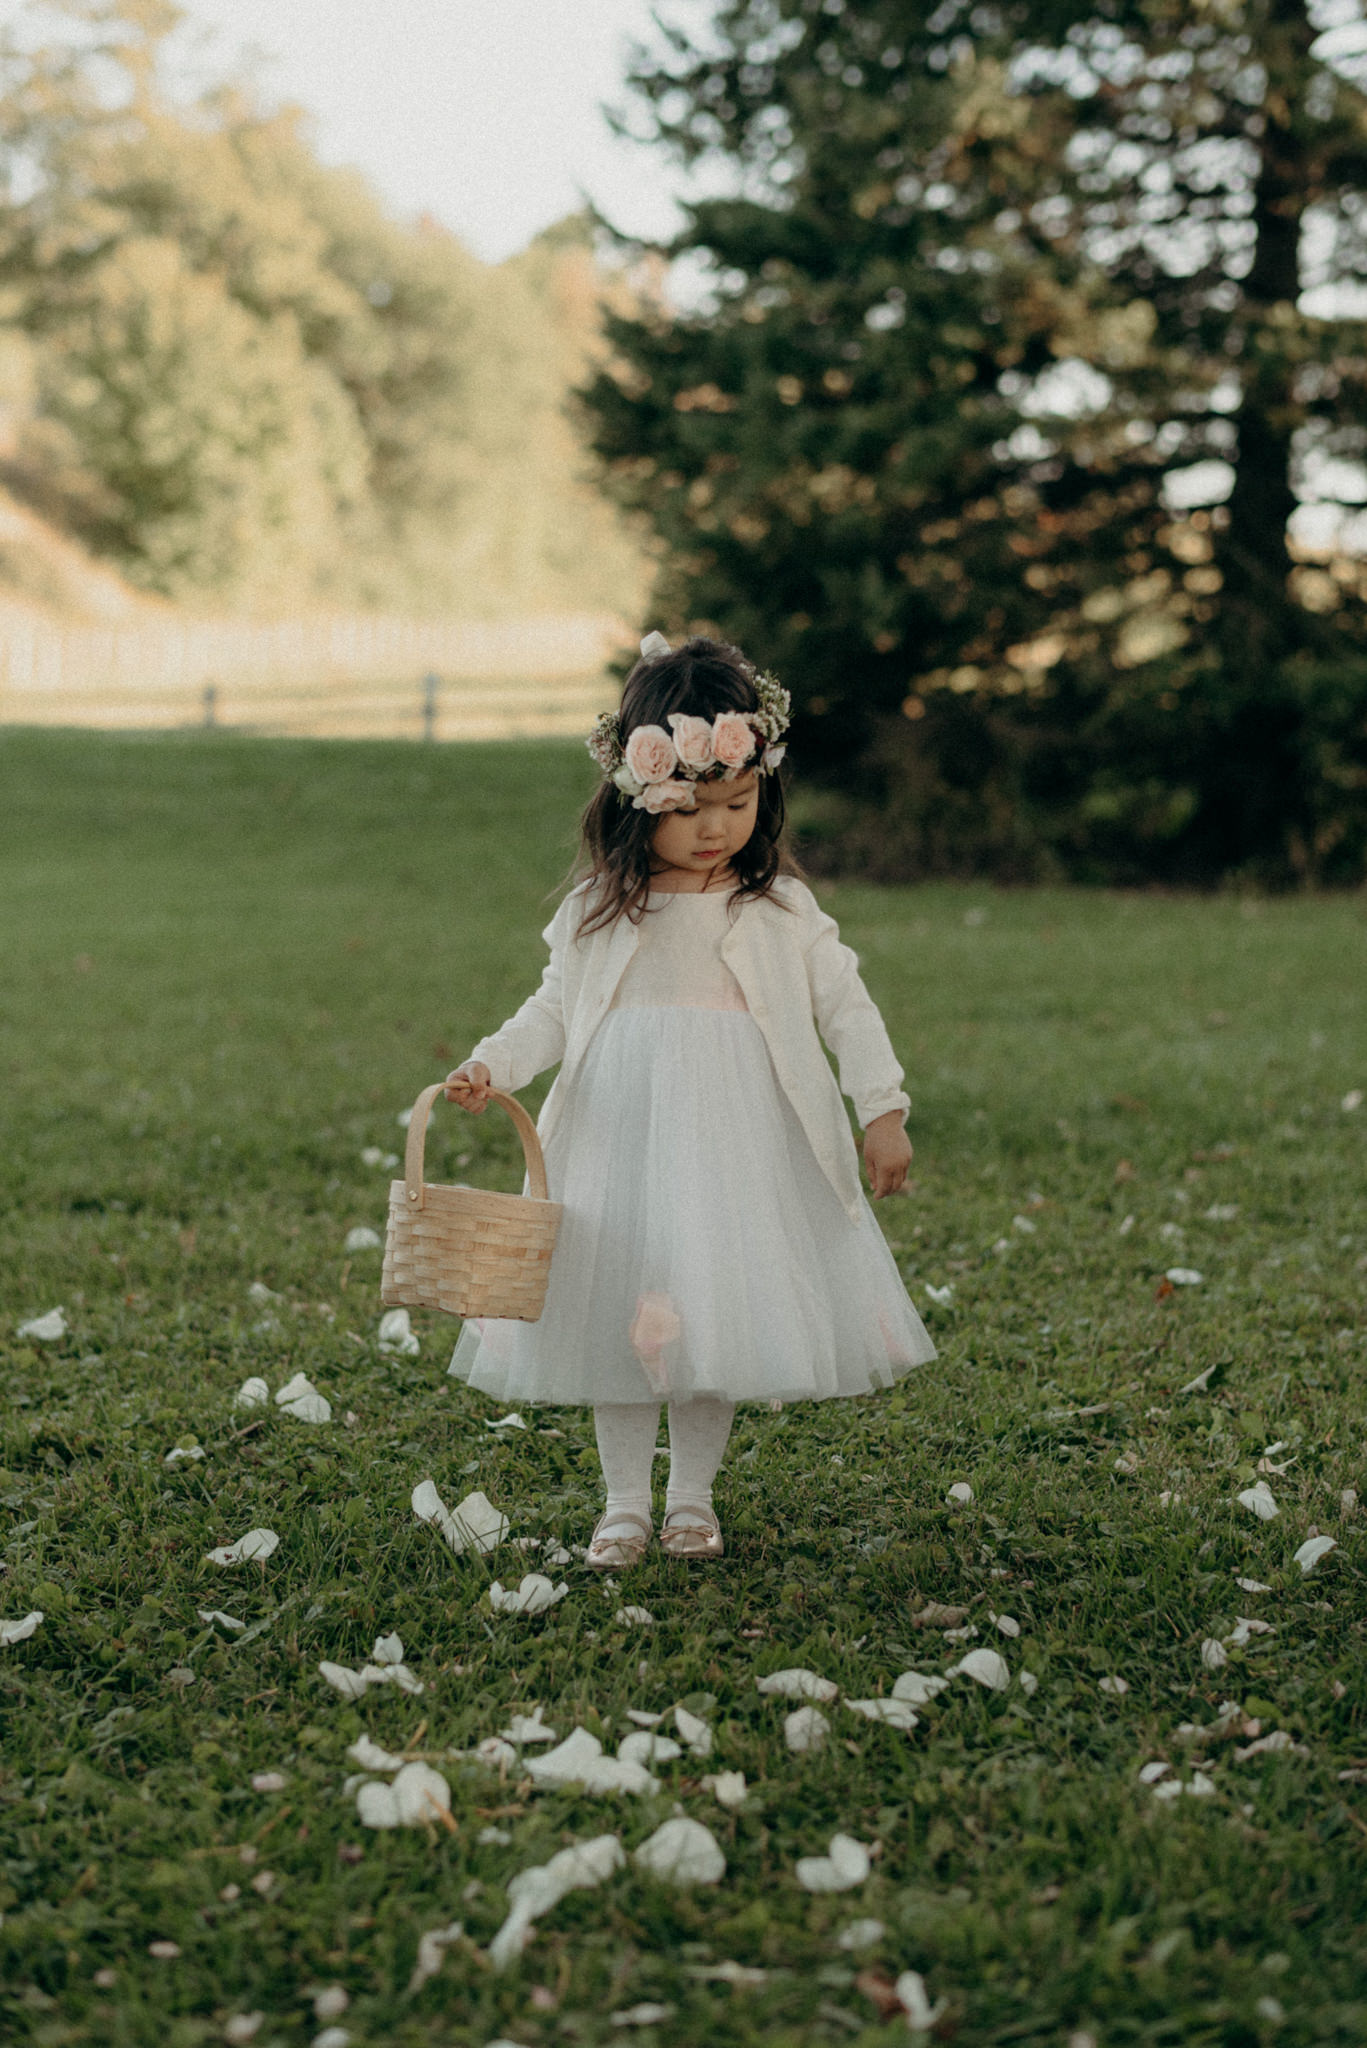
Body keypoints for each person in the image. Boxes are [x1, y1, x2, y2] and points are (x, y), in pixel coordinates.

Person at [444, 632, 936, 1568]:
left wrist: (883, 1108)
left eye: (738, 804)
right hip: (619, 1130)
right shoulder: (604, 907)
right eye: (691, 809)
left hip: (736, 1136)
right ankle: (623, 1502)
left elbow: (846, 1004)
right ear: (638, 802)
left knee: (715, 1308)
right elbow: (554, 1008)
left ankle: (692, 1501)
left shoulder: (777, 910)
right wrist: (492, 1065)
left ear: (764, 787)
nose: (715, 828)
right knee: (617, 1309)